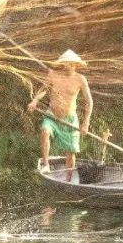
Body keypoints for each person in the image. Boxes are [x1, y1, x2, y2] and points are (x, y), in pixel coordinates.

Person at [27, 49, 93, 182]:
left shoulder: (80, 79)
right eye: (67, 63)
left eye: (72, 64)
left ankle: (68, 180)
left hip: (70, 119)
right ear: (63, 64)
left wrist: (86, 122)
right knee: (45, 131)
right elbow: (43, 90)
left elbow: (89, 102)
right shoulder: (53, 75)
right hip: (52, 115)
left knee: (71, 152)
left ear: (76, 65)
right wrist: (35, 101)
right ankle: (46, 164)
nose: (69, 66)